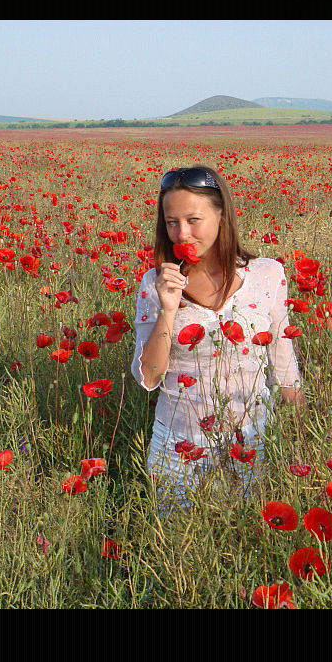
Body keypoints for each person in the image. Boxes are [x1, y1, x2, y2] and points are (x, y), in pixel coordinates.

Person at [131, 165, 302, 512]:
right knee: (180, 540)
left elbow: (283, 362)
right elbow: (148, 377)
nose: (182, 234)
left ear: (222, 215)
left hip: (253, 441)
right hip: (179, 448)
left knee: (247, 536)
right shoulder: (155, 284)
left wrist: (303, 433)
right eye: (172, 222)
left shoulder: (266, 275)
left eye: (194, 220)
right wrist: (168, 309)